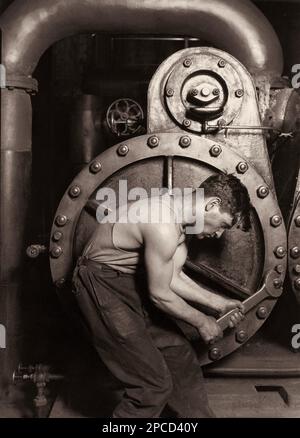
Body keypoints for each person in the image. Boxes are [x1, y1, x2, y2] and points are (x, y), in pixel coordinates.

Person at [72, 173, 251, 418]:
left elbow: (173, 276)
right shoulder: (162, 223)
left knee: (180, 356)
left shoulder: (182, 217)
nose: (219, 234)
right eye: (223, 225)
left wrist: (219, 303)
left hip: (127, 281)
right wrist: (201, 321)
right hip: (100, 284)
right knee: (152, 385)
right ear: (211, 205)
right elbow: (159, 294)